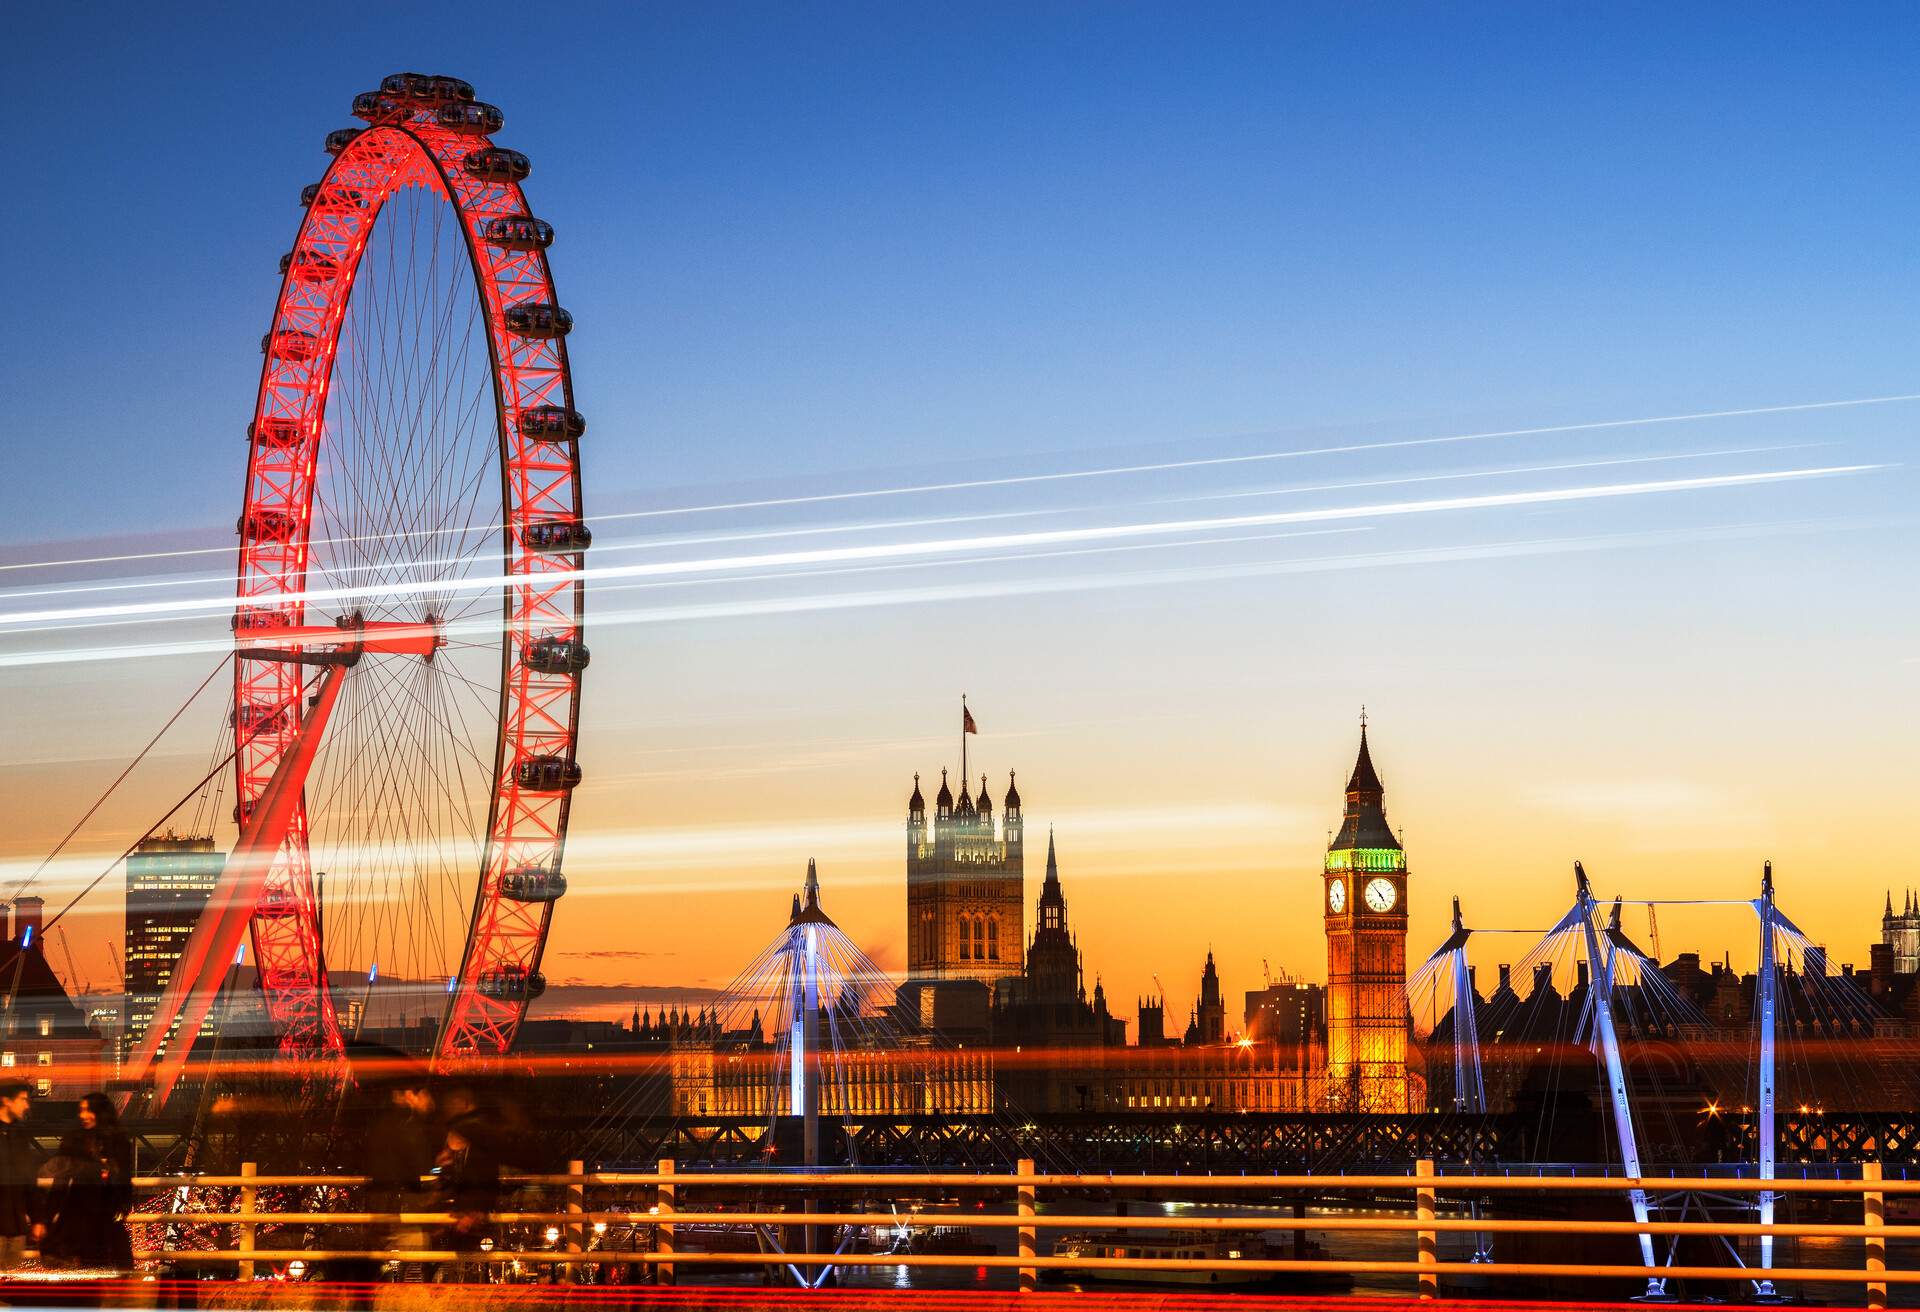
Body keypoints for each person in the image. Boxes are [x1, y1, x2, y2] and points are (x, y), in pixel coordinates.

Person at [39, 1094, 133, 1271]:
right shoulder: (75, 1140)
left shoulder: (118, 1141)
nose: (82, 1115)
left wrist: (123, 1204)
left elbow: (124, 1178)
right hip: (82, 1214)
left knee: (106, 1266)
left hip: (104, 1214)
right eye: (81, 1110)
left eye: (87, 1110)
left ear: (101, 1113)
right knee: (92, 1266)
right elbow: (61, 1180)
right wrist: (47, 1217)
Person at [0, 1084, 44, 1268]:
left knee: (9, 1288)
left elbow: (28, 1179)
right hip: (11, 1223)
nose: (27, 1106)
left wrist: (37, 1219)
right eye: (23, 1099)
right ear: (6, 1101)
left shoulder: (20, 1134)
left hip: (16, 1227)